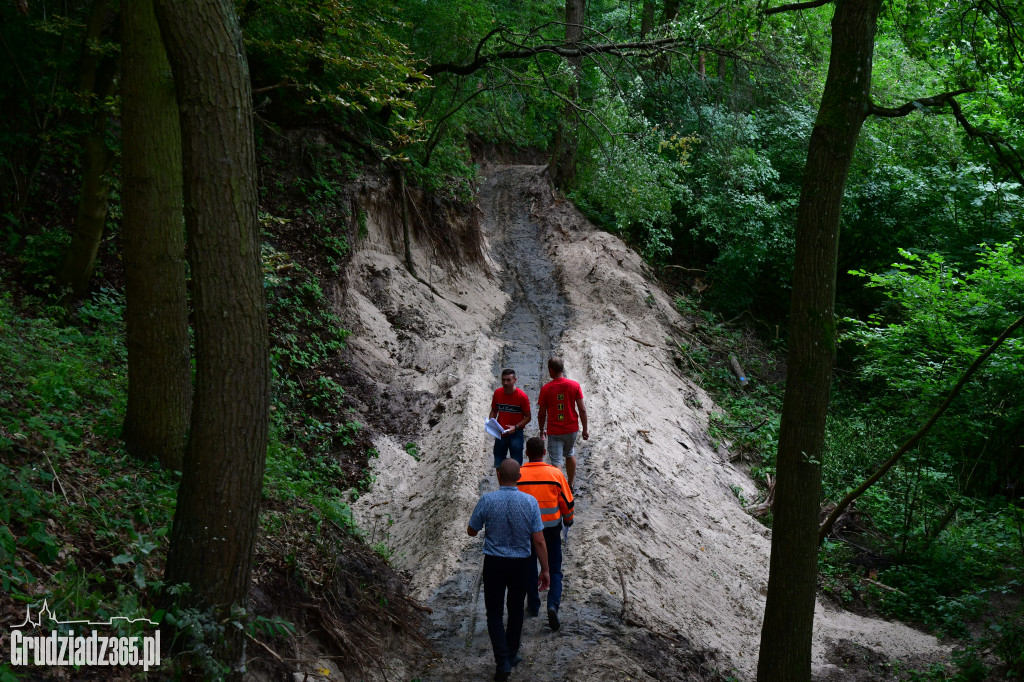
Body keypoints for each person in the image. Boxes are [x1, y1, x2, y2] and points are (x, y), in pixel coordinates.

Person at [468, 459, 551, 681]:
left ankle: (502, 661)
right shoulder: (530, 502)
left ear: (498, 475)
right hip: (522, 563)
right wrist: (545, 569)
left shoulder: (487, 500)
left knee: (494, 613)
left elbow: (471, 531)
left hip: (494, 563)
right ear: (519, 478)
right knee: (515, 610)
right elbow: (539, 540)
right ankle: (512, 654)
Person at [517, 437, 574, 632]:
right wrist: (568, 519)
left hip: (525, 529)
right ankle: (552, 605)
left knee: (529, 566)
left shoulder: (518, 474)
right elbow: (567, 501)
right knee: (555, 567)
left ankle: (533, 606)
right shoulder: (555, 474)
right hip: (550, 527)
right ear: (544, 453)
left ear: (526, 453)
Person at [537, 357, 588, 489]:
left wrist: (541, 429)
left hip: (554, 431)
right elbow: (582, 409)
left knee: (556, 462)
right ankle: (570, 484)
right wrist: (585, 429)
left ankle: (559, 489)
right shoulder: (574, 385)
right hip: (571, 429)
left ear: (550, 370)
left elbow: (542, 413)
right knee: (570, 453)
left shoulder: (546, 389)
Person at [489, 368, 531, 468]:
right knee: (498, 463)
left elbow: (528, 417)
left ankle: (516, 483)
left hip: (516, 433)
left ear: (515, 380)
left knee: (516, 464)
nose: (505, 382)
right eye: (503, 380)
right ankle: (501, 484)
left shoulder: (522, 397)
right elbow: (494, 410)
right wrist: (491, 422)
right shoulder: (497, 393)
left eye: (508, 380)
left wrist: (516, 427)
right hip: (501, 433)